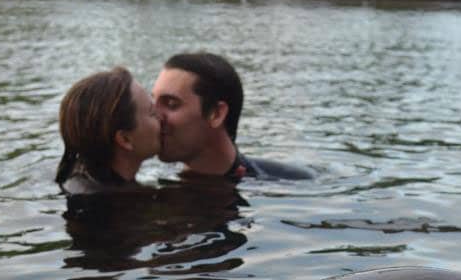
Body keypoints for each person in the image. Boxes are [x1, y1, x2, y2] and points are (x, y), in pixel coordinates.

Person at [152, 52, 313, 181]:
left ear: (216, 114)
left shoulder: (291, 182)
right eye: (153, 102)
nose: (154, 115)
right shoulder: (146, 172)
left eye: (171, 104)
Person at [55, 66, 162, 194]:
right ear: (125, 139)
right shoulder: (125, 206)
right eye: (152, 113)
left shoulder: (73, 176)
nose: (162, 117)